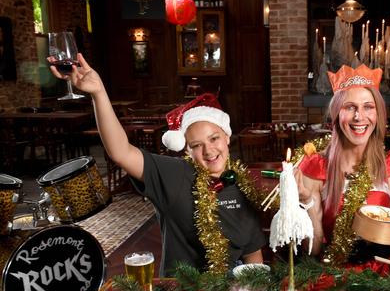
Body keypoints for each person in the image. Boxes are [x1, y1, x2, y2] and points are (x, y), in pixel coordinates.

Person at [49, 54, 265, 277]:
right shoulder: (175, 174)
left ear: (227, 137)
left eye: (214, 138)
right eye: (196, 145)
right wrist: (98, 93)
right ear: (186, 150)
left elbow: (252, 255)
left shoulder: (244, 185)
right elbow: (121, 152)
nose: (209, 151)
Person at [295, 64, 390, 265]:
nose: (359, 116)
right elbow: (313, 249)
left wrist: (388, 233)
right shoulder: (317, 167)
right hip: (334, 272)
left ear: (377, 115)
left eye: (368, 107)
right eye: (350, 107)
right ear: (336, 114)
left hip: (383, 269)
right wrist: (305, 201)